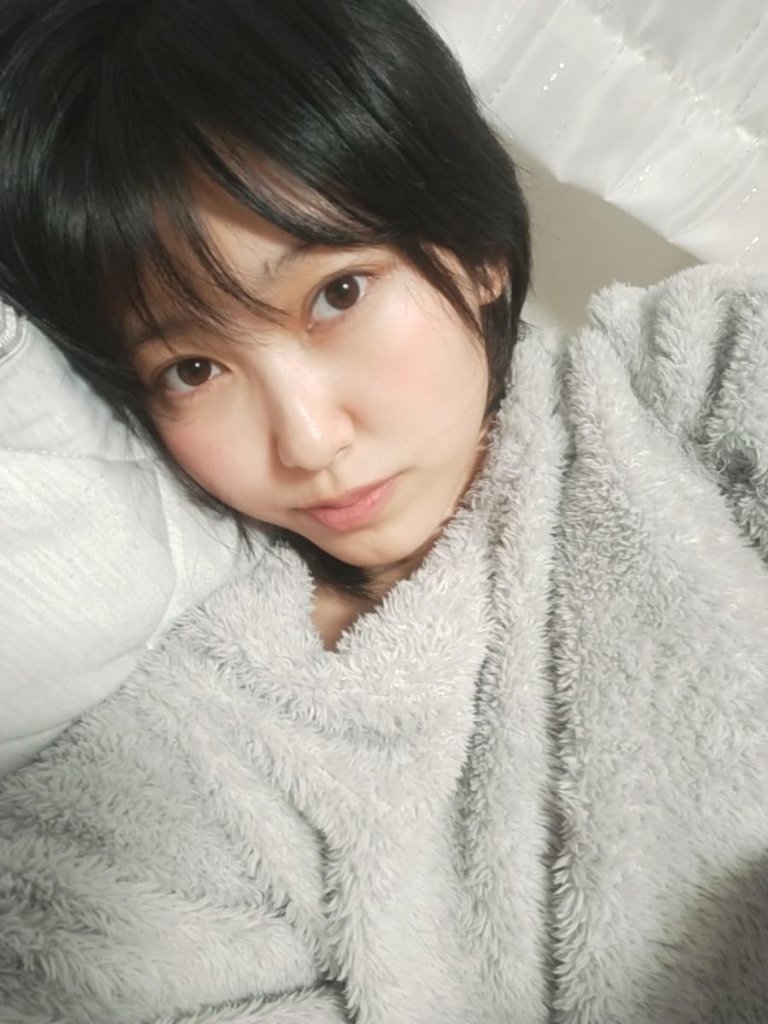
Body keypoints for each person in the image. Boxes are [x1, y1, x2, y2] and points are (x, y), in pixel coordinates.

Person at [0, 0, 766, 1022]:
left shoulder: (693, 376)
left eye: (339, 293)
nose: (308, 441)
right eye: (193, 367)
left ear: (477, 249)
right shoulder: (171, 755)